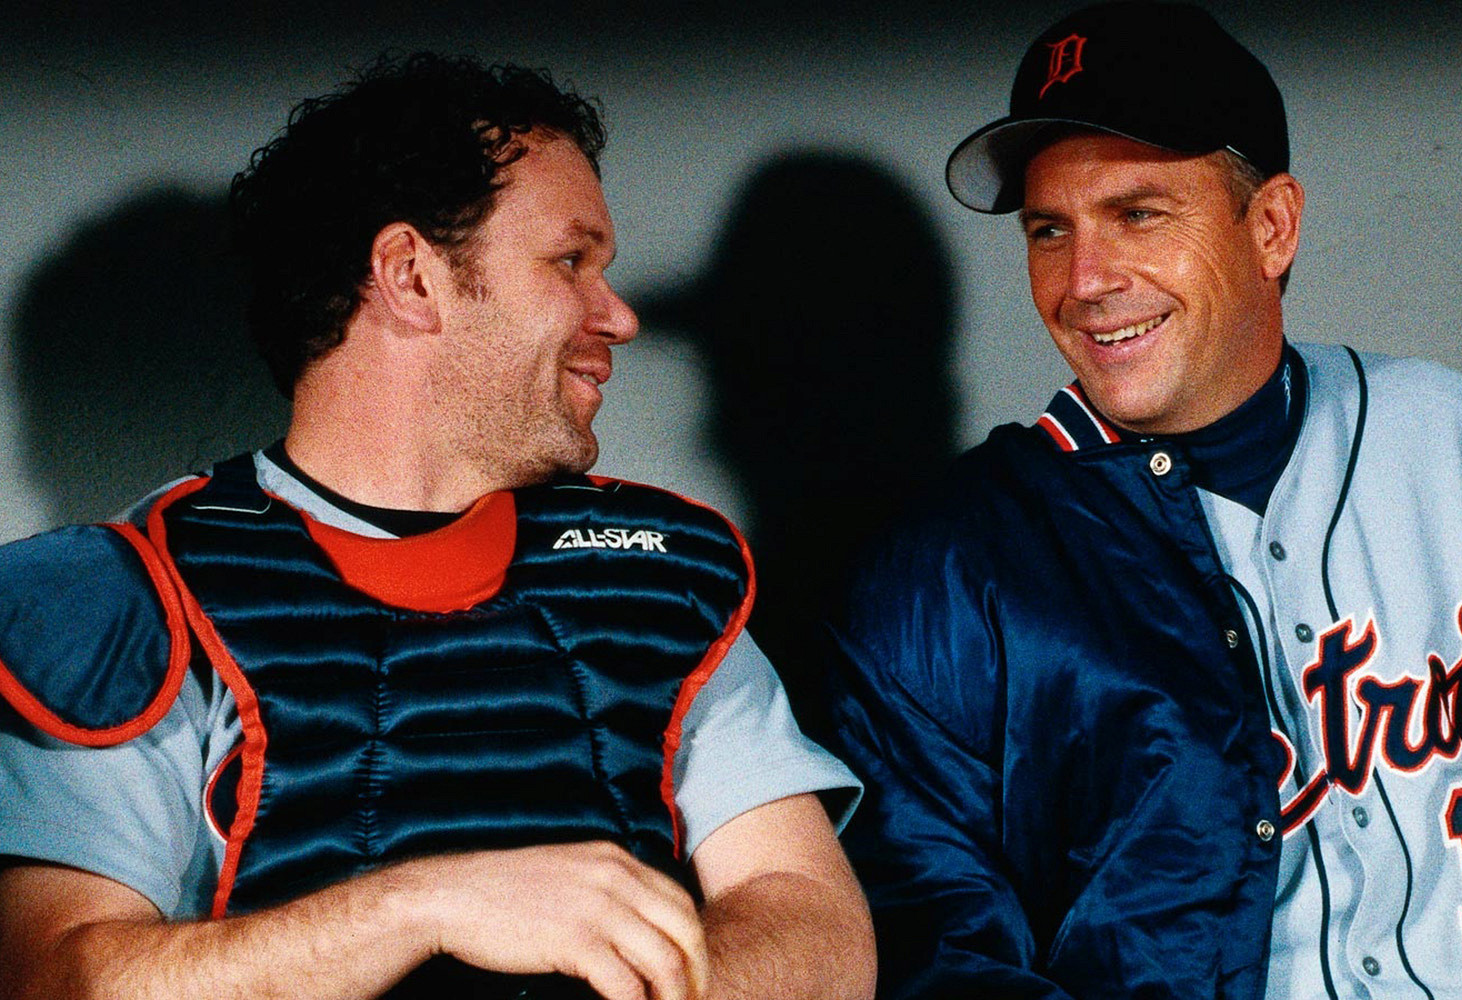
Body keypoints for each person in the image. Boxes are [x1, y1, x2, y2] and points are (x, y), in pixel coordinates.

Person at [0, 54, 873, 1000]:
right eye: (570, 262)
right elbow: (56, 977)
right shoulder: (128, 594)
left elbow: (820, 933)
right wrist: (425, 905)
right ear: (411, 276)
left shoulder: (662, 573)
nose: (618, 317)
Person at [826, 3, 1462, 998]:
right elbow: (936, 947)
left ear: (1271, 227)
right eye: (1050, 230)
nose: (1085, 280)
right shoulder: (943, 575)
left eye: (1137, 214)